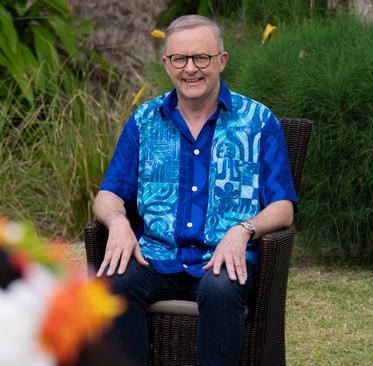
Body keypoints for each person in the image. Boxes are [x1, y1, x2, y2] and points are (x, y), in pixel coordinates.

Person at [93, 15, 296, 366]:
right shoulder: (144, 120)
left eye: (201, 58)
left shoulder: (258, 121)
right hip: (157, 255)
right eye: (180, 59)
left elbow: (283, 207)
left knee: (219, 288)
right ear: (166, 64)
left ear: (222, 60)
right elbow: (108, 195)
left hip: (226, 257)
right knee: (113, 281)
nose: (191, 69)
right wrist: (119, 223)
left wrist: (242, 230)